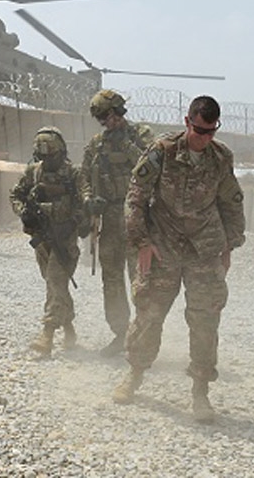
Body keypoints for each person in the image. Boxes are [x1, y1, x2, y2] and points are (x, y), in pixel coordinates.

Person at [111, 95, 245, 425]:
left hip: (204, 250)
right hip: (164, 245)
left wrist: (230, 243)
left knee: (205, 322)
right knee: (149, 314)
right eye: (199, 130)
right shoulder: (162, 151)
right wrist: (141, 241)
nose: (205, 137)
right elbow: (135, 197)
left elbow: (231, 202)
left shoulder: (221, 157)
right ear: (187, 122)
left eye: (211, 131)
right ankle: (135, 374)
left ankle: (200, 392)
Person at [81, 89, 155, 357]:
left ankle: (143, 335)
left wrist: (124, 142)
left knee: (141, 277)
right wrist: (90, 199)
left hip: (137, 218)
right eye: (101, 119)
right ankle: (120, 333)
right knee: (111, 279)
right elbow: (84, 176)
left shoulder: (141, 135)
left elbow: (150, 167)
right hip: (110, 219)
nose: (105, 122)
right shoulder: (97, 144)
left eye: (108, 116)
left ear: (119, 112)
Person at [10, 127, 89, 358]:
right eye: (42, 157)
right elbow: (15, 195)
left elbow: (86, 201)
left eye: (51, 156)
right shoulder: (33, 172)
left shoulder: (74, 174)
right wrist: (23, 211)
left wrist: (73, 221)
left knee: (55, 280)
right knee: (55, 284)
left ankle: (47, 334)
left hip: (64, 239)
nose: (47, 161)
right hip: (41, 238)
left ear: (61, 152)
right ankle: (68, 327)